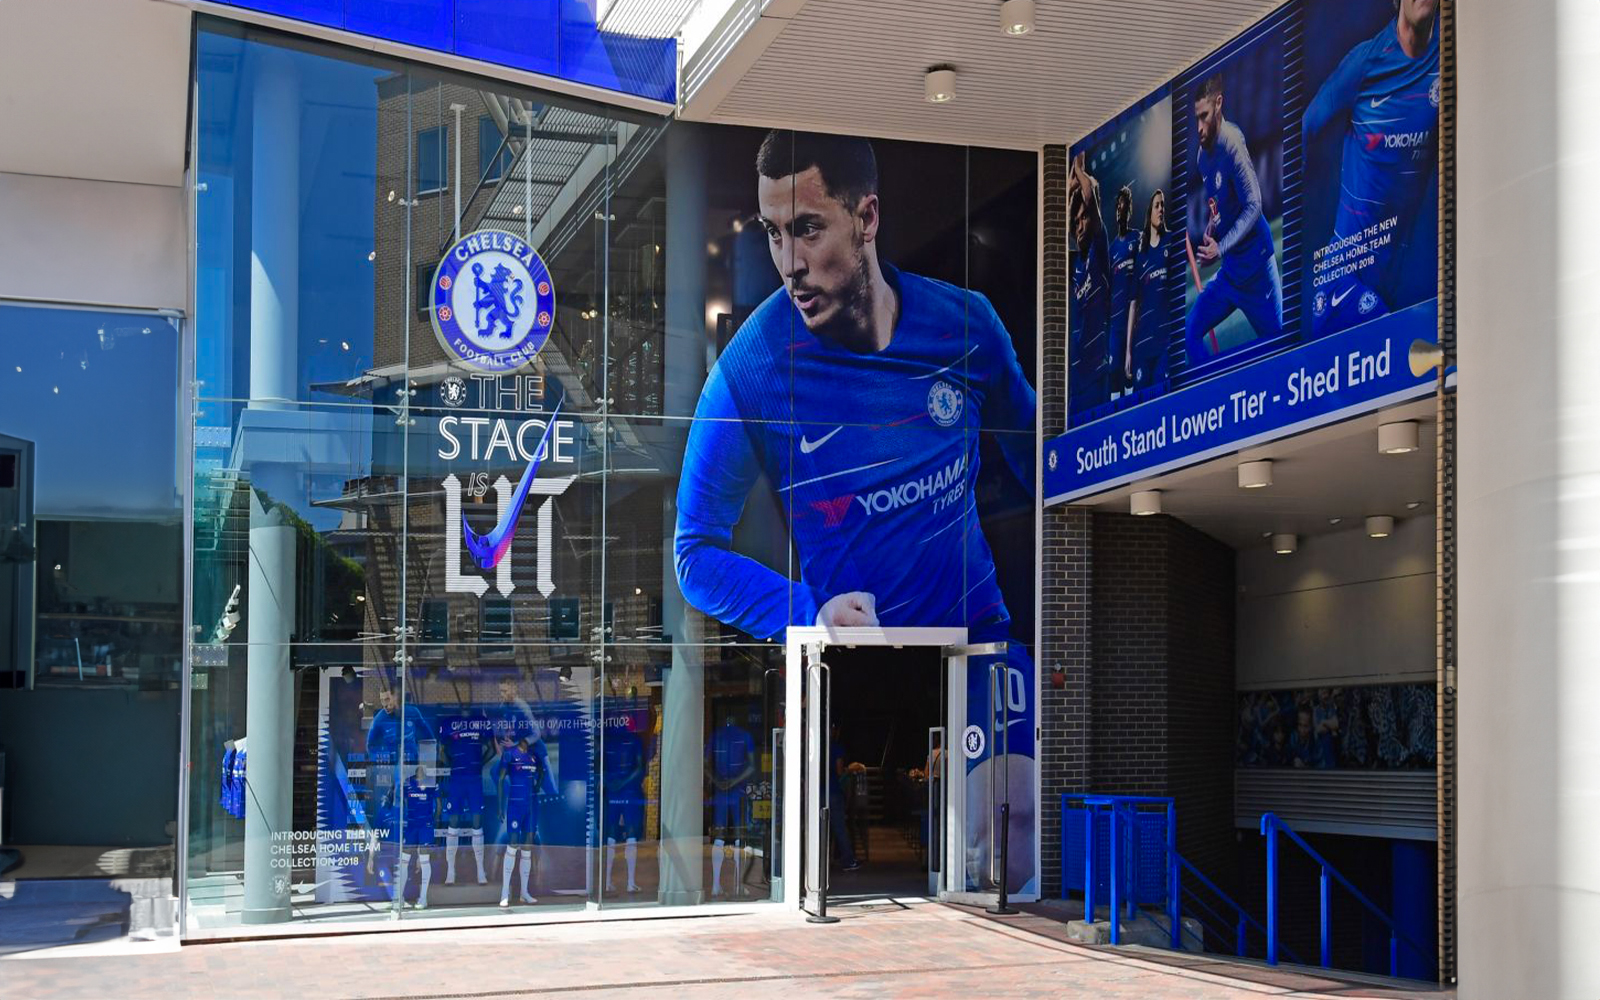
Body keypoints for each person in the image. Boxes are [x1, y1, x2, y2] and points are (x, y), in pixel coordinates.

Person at [674, 130, 1035, 649]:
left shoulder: (967, 324)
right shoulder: (748, 370)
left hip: (977, 652)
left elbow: (1041, 464)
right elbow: (695, 554)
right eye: (774, 234)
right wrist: (809, 613)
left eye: (807, 229)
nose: (789, 264)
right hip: (859, 671)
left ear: (866, 218)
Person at [1302, 0, 1439, 337]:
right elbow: (1306, 127)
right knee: (1405, 347)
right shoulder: (1366, 62)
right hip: (1342, 282)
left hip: (1390, 283)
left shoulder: (1447, 62)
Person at [1185, 73, 1283, 365]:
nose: (1199, 127)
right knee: (1189, 333)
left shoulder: (1232, 144)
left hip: (1257, 271)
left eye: (1204, 116)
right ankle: (1212, 391)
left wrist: (1221, 248)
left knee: (1282, 351)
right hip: (1230, 274)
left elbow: (1254, 205)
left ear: (1219, 104)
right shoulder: (1202, 156)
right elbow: (1220, 202)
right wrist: (1212, 226)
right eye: (1196, 118)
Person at [1068, 153, 1113, 411]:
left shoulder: (1099, 250)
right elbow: (1059, 226)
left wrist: (1078, 170)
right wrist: (1067, 190)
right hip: (1076, 386)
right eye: (1076, 222)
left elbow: (1090, 201)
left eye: (1083, 218)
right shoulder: (1075, 265)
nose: (1079, 226)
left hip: (1097, 377)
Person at [493, 730, 554, 907]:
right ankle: (504, 893)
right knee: (512, 844)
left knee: (528, 846)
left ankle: (524, 892)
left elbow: (542, 771)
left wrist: (538, 784)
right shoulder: (509, 754)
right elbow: (500, 779)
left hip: (532, 806)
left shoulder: (534, 755)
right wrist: (500, 806)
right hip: (515, 805)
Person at [440, 707, 493, 885]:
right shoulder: (449, 723)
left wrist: (479, 764)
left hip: (474, 780)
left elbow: (492, 749)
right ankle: (450, 871)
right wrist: (452, 766)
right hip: (457, 780)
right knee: (453, 823)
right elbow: (441, 751)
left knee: (477, 823)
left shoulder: (481, 722)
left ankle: (480, 871)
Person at [1124, 189, 1171, 389]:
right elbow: (1133, 304)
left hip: (1165, 342)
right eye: (1157, 205)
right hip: (1142, 346)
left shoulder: (1171, 241)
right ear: (1149, 212)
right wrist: (1128, 351)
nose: (1161, 209)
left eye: (1163, 205)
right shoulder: (1141, 256)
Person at [707, 714, 758, 897]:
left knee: (719, 836)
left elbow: (705, 764)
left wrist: (717, 782)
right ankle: (738, 885)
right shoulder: (745, 736)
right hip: (738, 791)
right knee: (739, 836)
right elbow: (752, 766)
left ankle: (715, 885)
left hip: (721, 791)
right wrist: (735, 781)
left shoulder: (716, 736)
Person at [602, 726, 648, 894]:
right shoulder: (635, 740)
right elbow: (640, 768)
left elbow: (602, 767)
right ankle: (630, 882)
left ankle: (607, 882)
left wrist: (611, 782)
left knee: (612, 832)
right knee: (631, 831)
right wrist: (624, 782)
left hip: (614, 790)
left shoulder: (608, 742)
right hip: (630, 790)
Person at [391, 765, 439, 909]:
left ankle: (423, 899)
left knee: (424, 860)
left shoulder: (431, 782)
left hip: (426, 826)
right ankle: (399, 898)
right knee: (404, 860)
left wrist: (432, 822)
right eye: (419, 764)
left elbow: (439, 805)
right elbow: (401, 801)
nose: (421, 767)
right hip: (411, 826)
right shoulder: (407, 782)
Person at [1107, 184, 1140, 398]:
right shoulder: (1111, 250)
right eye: (1119, 205)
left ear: (1129, 211)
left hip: (1133, 320)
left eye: (1125, 205)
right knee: (1113, 372)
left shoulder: (1137, 239)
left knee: (1130, 372)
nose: (1121, 209)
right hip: (1115, 324)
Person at [829, 724, 859, 871]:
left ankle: (817, 861)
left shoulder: (817, 746)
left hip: (817, 792)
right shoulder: (836, 748)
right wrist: (848, 771)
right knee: (840, 827)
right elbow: (840, 771)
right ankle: (848, 859)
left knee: (818, 828)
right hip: (834, 791)